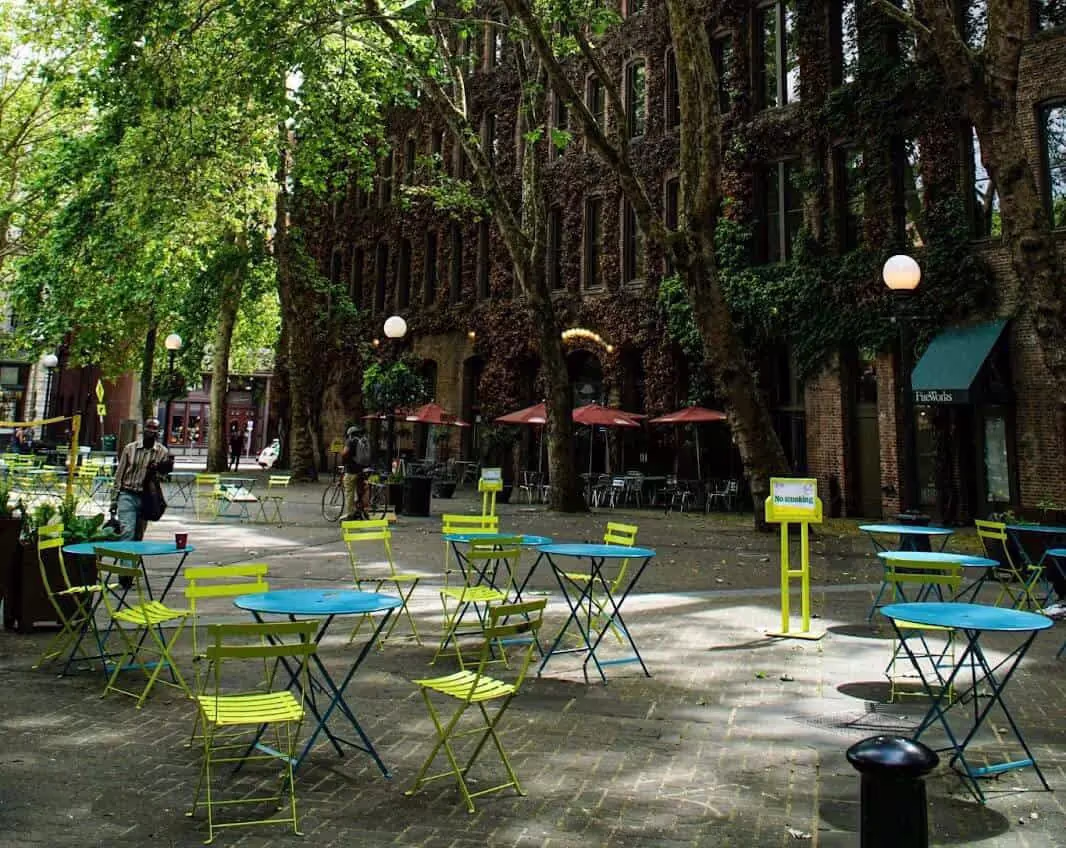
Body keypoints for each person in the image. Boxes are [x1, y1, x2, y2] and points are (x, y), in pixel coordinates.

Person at [109, 418, 174, 541]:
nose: (151, 430)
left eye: (154, 428)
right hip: (127, 494)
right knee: (127, 532)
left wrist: (158, 470)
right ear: (143, 429)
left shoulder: (162, 452)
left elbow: (163, 478)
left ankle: (131, 559)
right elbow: (119, 474)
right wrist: (114, 499)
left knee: (138, 536)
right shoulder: (130, 448)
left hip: (146, 498)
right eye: (148, 427)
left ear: (158, 432)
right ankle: (126, 559)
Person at [341, 425, 369, 520]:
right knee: (360, 492)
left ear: (350, 434)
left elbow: (345, 453)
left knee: (349, 492)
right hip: (361, 471)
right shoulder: (362, 442)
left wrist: (343, 457)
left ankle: (350, 514)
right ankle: (361, 511)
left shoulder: (351, 441)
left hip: (351, 471)